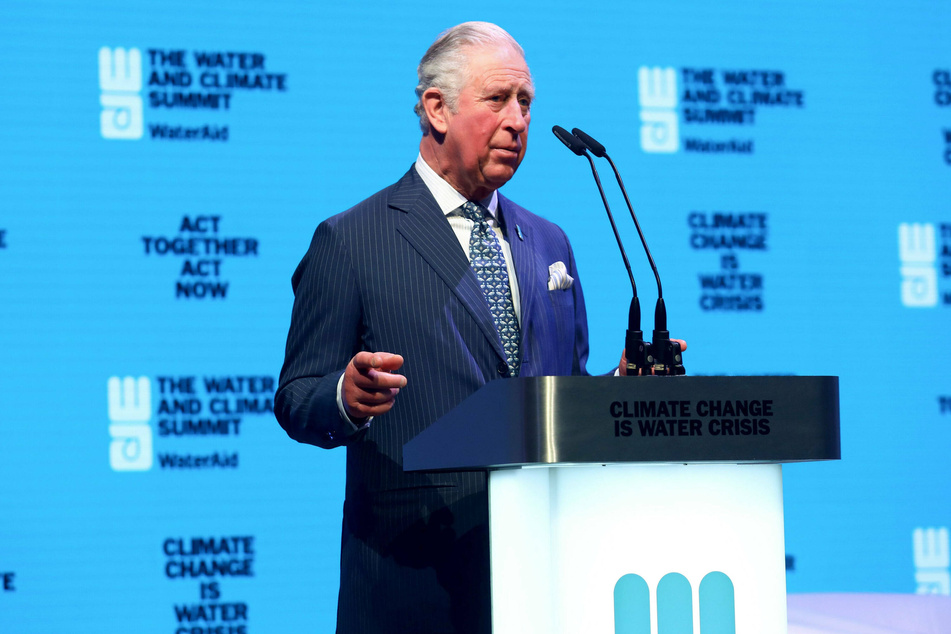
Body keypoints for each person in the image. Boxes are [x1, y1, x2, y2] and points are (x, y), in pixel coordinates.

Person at [276, 21, 657, 634]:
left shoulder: (550, 241)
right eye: (498, 99)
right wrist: (345, 397)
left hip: (548, 579)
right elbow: (297, 397)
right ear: (437, 109)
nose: (518, 120)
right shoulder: (351, 240)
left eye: (526, 102)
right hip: (413, 584)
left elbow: (561, 394)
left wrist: (619, 388)